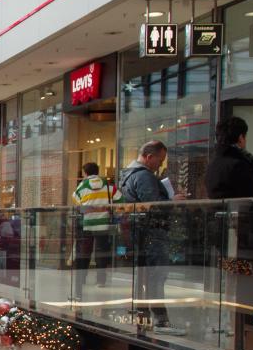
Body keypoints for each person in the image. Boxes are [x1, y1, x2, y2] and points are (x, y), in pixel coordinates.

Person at [205, 117, 253, 350]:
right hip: (245, 235)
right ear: (241, 137)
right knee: (249, 285)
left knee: (236, 284)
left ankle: (239, 336)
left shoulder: (215, 163)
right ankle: (252, 338)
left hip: (225, 235)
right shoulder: (241, 164)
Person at [118, 140, 185, 336]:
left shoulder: (127, 175)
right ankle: (160, 321)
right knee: (156, 277)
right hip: (152, 233)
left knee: (145, 277)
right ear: (149, 157)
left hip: (139, 233)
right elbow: (152, 204)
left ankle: (143, 316)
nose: (160, 165)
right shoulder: (144, 177)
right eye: (160, 160)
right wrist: (171, 201)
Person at [71, 162, 118, 298]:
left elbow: (76, 200)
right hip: (103, 223)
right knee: (102, 251)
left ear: (85, 173)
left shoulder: (82, 185)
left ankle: (82, 279)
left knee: (84, 251)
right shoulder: (108, 186)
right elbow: (120, 198)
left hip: (87, 223)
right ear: (97, 171)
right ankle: (101, 280)